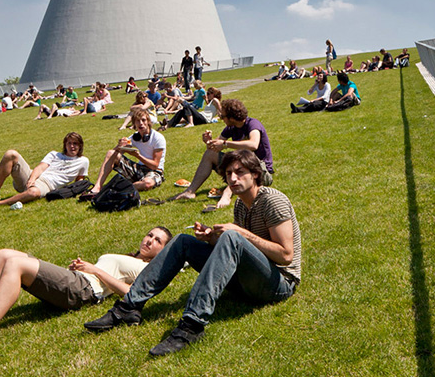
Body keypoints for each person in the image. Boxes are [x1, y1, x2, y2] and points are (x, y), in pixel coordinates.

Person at [84, 150, 301, 356]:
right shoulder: (241, 205)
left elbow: (285, 255)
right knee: (183, 241)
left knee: (232, 236)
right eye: (228, 174)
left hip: (278, 284)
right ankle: (128, 307)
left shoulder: (272, 200)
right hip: (247, 281)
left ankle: (192, 325)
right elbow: (239, 251)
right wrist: (210, 237)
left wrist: (239, 233)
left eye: (240, 172)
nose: (233, 178)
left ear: (255, 174)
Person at [0, 227, 172, 360]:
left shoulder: (146, 269)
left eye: (158, 241)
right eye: (149, 235)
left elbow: (132, 293)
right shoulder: (132, 258)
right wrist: (84, 268)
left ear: (162, 251)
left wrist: (95, 270)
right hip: (77, 280)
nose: (150, 241)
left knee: (16, 264)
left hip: (83, 291)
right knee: (3, 255)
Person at [171, 99, 272, 208]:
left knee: (238, 164)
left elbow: (253, 144)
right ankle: (190, 191)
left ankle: (227, 195)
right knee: (210, 153)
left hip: (261, 171)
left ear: (231, 118)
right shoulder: (231, 127)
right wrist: (209, 141)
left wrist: (225, 144)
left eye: (223, 116)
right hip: (240, 166)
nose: (220, 118)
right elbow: (216, 146)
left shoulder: (252, 124)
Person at [0, 132, 89, 209]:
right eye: (69, 143)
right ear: (65, 145)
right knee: (11, 154)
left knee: (33, 192)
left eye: (75, 144)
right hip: (33, 175)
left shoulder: (83, 161)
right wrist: (31, 180)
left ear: (80, 146)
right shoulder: (54, 154)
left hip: (47, 185)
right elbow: (40, 167)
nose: (72, 146)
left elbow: (78, 183)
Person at [89, 108, 166, 195]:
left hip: (155, 172)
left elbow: (155, 165)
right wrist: (119, 146)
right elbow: (112, 156)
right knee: (111, 153)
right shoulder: (134, 137)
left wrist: (137, 156)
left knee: (147, 184)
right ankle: (97, 187)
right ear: (134, 124)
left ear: (148, 121)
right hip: (139, 169)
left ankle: (118, 188)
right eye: (137, 121)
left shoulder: (158, 138)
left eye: (143, 120)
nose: (141, 123)